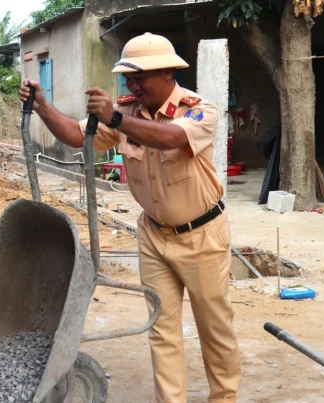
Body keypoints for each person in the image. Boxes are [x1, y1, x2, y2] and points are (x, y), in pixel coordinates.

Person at [19, 32, 240, 402]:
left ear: (168, 72)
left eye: (141, 77)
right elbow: (77, 135)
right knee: (162, 329)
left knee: (215, 329)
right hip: (154, 235)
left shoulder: (197, 109)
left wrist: (116, 118)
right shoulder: (129, 112)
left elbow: (170, 138)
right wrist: (43, 106)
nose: (133, 85)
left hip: (202, 235)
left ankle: (224, 398)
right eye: (129, 78)